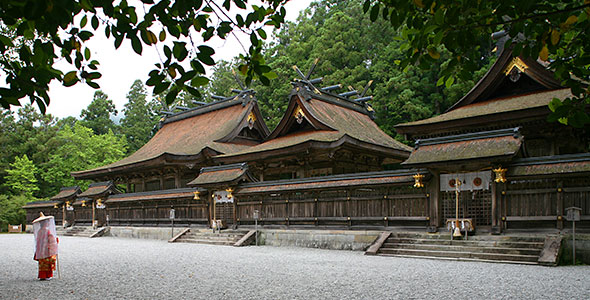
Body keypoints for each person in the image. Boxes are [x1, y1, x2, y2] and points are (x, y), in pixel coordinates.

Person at [32, 213, 59, 281]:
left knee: (42, 263)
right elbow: (51, 240)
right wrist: (56, 241)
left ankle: (42, 275)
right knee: (47, 263)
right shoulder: (47, 231)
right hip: (47, 250)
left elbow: (38, 241)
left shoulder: (39, 231)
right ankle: (48, 275)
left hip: (41, 250)